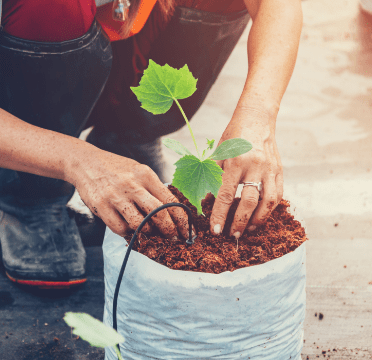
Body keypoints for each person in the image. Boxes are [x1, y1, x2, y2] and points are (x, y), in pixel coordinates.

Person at [0, 0, 303, 288]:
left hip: (122, 57)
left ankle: (128, 138)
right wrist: (77, 160)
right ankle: (30, 192)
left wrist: (256, 115)